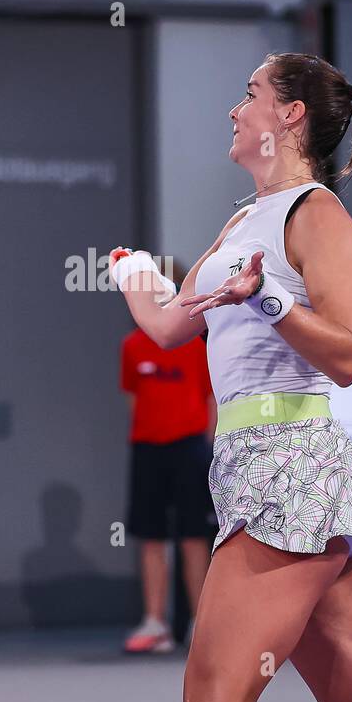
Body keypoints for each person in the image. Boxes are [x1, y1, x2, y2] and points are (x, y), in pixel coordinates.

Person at [108, 52, 352, 702]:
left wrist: (268, 299)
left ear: (290, 114)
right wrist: (132, 270)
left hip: (289, 469)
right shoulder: (243, 221)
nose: (234, 109)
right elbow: (169, 326)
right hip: (251, 467)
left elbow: (346, 356)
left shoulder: (319, 216)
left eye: (249, 94)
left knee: (212, 696)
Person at [119, 260, 218, 654]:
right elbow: (133, 401)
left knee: (194, 538)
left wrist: (210, 452)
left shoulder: (197, 345)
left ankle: (201, 623)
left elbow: (210, 400)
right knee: (150, 537)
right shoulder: (131, 347)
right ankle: (155, 623)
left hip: (191, 450)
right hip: (148, 450)